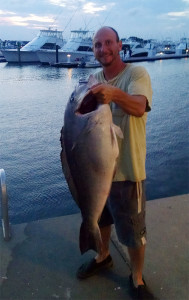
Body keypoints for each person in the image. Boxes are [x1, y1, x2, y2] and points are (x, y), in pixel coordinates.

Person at [76, 26, 155, 300]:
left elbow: (139, 106)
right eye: (98, 45)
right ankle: (103, 255)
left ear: (120, 45)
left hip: (127, 172)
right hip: (98, 173)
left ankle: (137, 277)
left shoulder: (136, 74)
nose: (103, 49)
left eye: (108, 43)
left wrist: (114, 95)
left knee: (134, 232)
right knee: (102, 218)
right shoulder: (92, 79)